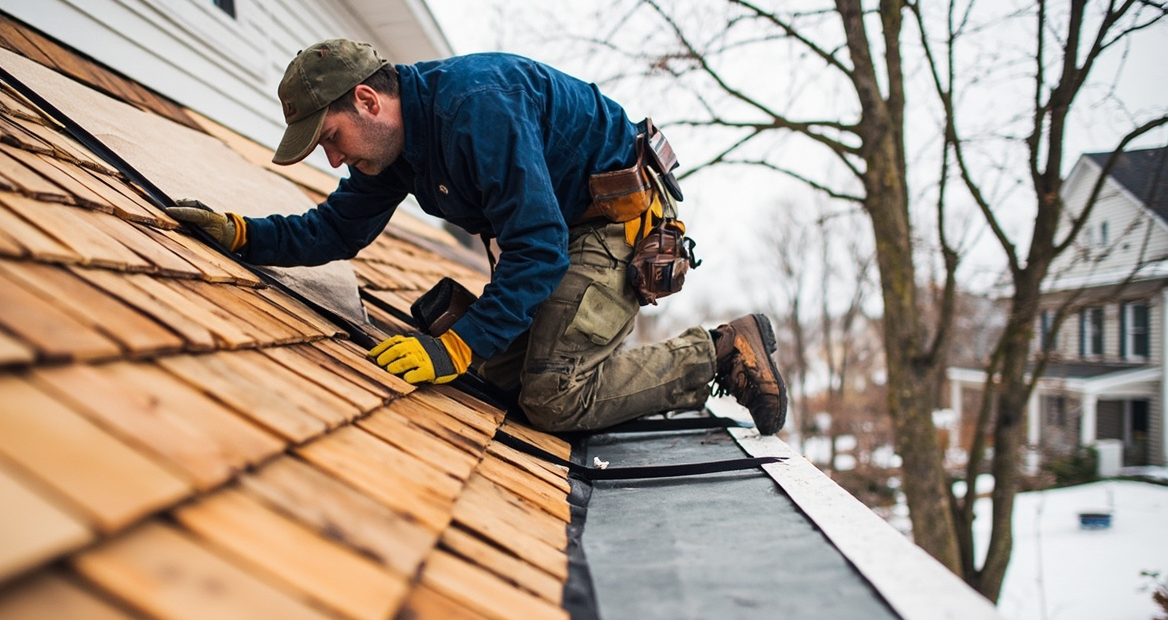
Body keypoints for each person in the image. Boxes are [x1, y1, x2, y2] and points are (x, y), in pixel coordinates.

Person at [167, 39, 787, 434]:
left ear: (367, 101)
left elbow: (538, 249)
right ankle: (540, 353)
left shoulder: (475, 109)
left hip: (613, 224)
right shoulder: (393, 149)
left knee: (551, 397)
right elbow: (336, 228)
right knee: (498, 373)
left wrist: (455, 348)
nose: (333, 159)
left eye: (331, 138)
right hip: (557, 233)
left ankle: (720, 351)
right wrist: (244, 236)